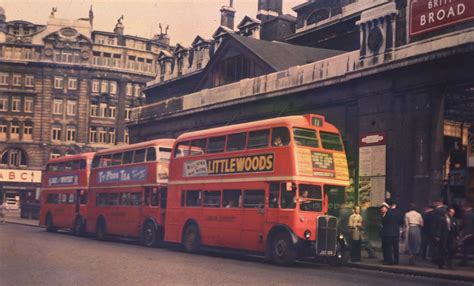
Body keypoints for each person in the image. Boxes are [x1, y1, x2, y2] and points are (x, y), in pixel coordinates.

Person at [431, 200, 449, 269]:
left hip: (442, 234)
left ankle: (440, 261)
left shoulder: (437, 212)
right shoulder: (442, 216)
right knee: (441, 248)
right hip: (442, 234)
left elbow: (436, 224)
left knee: (440, 248)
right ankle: (441, 262)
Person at [459, 201, 474, 266]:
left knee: (465, 248)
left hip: (467, 233)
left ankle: (464, 261)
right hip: (472, 233)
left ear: (465, 207)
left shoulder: (465, 214)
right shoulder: (472, 214)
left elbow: (464, 225)